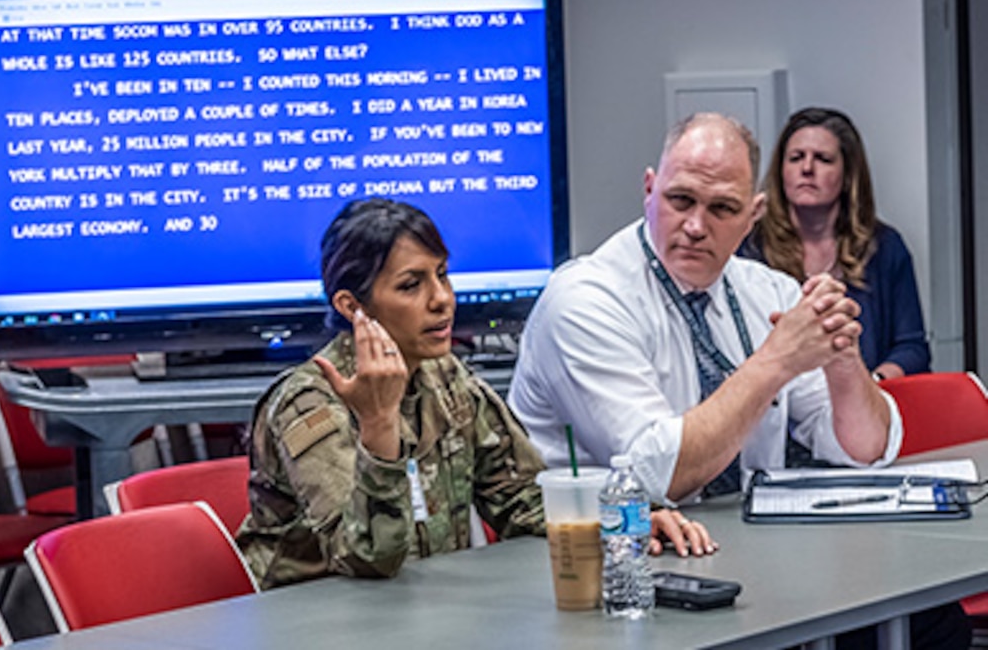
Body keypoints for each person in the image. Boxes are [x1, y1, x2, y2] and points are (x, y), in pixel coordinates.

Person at [236, 197, 715, 590]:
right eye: (411, 284)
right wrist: (379, 425)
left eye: (442, 274)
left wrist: (620, 517)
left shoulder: (445, 379)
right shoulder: (309, 404)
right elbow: (367, 561)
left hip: (427, 623)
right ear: (351, 305)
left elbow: (521, 502)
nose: (442, 298)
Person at [509, 112, 901, 504]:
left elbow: (865, 450)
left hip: (735, 542)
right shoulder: (584, 301)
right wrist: (776, 361)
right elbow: (660, 478)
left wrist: (843, 360)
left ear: (752, 217)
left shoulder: (771, 292)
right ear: (649, 190)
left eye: (722, 208)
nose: (696, 226)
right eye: (681, 200)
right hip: (595, 551)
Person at [742, 106, 930, 381]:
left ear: (848, 175)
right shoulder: (750, 248)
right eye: (795, 158)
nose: (807, 169)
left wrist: (870, 388)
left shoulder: (883, 247)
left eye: (823, 159)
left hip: (864, 402)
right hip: (776, 409)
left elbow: (912, 349)